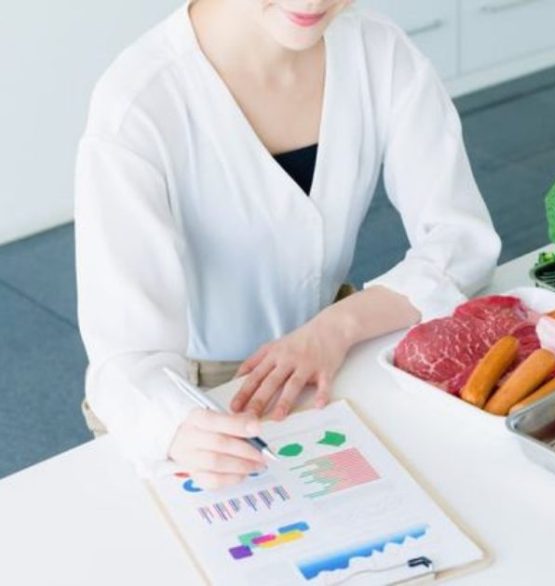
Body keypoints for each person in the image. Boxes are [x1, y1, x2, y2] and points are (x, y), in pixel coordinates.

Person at [74, 0, 500, 489]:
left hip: (334, 358)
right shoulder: (138, 104)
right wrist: (174, 424)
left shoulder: (379, 52)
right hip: (194, 395)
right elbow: (126, 357)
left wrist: (336, 327)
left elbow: (461, 240)